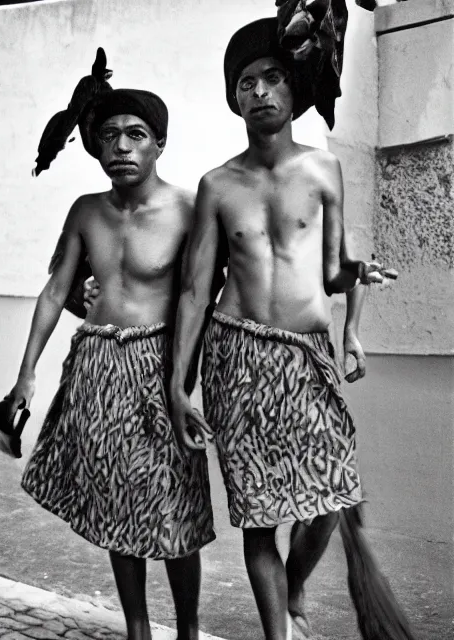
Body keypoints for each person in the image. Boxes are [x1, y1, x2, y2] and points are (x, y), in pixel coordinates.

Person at [169, 18, 404, 640]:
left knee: (330, 501)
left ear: (293, 88)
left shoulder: (324, 169)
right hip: (235, 356)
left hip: (305, 355)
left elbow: (331, 270)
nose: (260, 92)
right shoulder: (218, 185)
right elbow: (196, 290)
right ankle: (280, 632)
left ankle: (296, 587)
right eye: (246, 83)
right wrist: (178, 384)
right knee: (259, 515)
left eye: (272, 78)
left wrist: (354, 314)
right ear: (235, 97)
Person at [2, 49, 215, 640]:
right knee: (120, 507)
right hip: (96, 369)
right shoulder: (86, 211)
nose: (121, 146)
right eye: (110, 136)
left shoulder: (189, 210)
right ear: (96, 146)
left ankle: (190, 631)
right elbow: (55, 292)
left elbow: (208, 297)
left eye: (136, 135)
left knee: (175, 511)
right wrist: (26, 376)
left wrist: (188, 380)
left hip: (160, 371)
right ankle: (139, 630)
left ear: (159, 144)